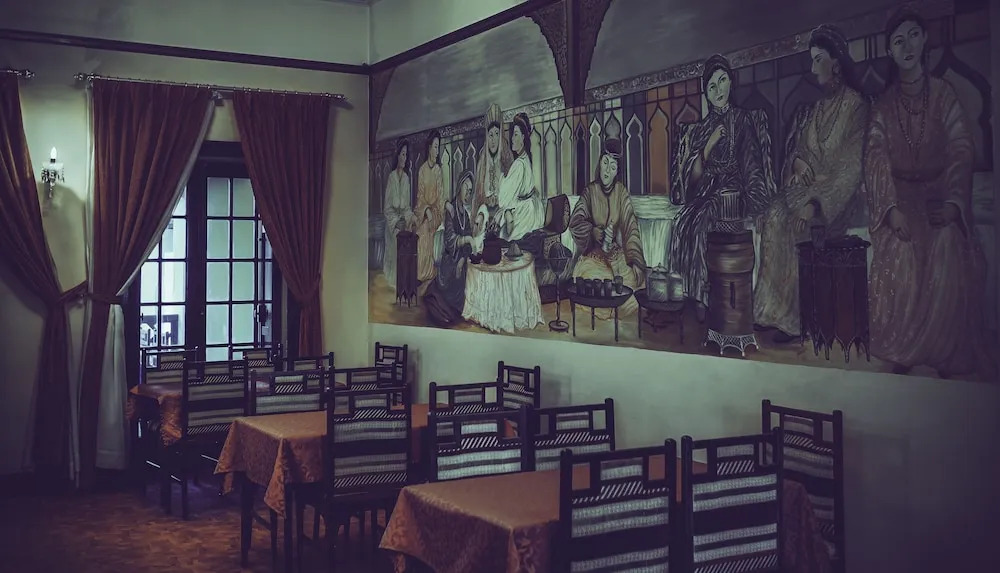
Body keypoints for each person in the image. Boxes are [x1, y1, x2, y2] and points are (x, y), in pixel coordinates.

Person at [863, 7, 995, 379]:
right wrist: (890, 209)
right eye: (898, 41)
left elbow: (961, 148)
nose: (907, 46)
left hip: (940, 195)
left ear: (924, 40)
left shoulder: (944, 94)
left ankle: (946, 351)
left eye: (913, 36)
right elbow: (874, 157)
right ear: (889, 51)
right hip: (900, 198)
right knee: (900, 247)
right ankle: (904, 349)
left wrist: (954, 203)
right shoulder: (883, 106)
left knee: (948, 241)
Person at [753, 24, 869, 342]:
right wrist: (799, 163)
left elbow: (851, 168)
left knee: (797, 225)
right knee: (773, 216)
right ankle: (770, 311)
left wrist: (816, 204)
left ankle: (795, 320)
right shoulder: (818, 108)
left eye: (818, 59)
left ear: (836, 62)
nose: (813, 68)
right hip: (807, 188)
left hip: (836, 198)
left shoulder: (857, 107)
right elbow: (801, 151)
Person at [668, 54, 777, 322]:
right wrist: (708, 146)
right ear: (706, 93)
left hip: (733, 191)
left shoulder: (742, 119)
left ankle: (703, 297)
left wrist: (758, 205)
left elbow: (752, 163)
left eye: (723, 81)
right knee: (682, 223)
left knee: (701, 222)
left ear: (731, 82)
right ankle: (686, 293)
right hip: (706, 190)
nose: (719, 90)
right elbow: (691, 179)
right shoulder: (703, 127)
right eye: (712, 86)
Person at [569, 138, 647, 318]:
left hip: (616, 255)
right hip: (593, 257)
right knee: (596, 285)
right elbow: (575, 221)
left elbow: (631, 227)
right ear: (599, 163)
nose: (607, 170)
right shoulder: (590, 191)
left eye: (612, 167)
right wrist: (592, 231)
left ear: (617, 171)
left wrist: (636, 261)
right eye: (605, 163)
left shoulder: (621, 192)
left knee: (631, 284)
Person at [424, 171, 477, 326]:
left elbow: (469, 242)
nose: (468, 193)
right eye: (466, 188)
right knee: (445, 305)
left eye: (471, 191)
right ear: (460, 187)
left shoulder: (465, 215)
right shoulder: (451, 210)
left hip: (460, 261)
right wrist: (465, 240)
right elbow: (449, 239)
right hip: (449, 259)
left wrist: (462, 259)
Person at [492, 113, 545, 242]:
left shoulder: (519, 164)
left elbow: (504, 198)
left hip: (526, 215)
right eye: (512, 135)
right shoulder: (525, 158)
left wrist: (501, 176)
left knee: (503, 232)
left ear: (523, 137)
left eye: (515, 134)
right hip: (532, 209)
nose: (512, 139)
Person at [382, 139, 414, 289]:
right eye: (402, 154)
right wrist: (396, 222)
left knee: (410, 238)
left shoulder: (406, 178)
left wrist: (410, 218)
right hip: (393, 224)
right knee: (397, 240)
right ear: (397, 155)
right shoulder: (391, 177)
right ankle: (395, 281)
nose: (404, 158)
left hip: (403, 221)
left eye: (406, 155)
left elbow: (406, 207)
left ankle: (406, 280)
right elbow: (387, 208)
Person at [414, 130, 445, 283]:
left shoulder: (438, 170)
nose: (437, 151)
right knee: (418, 229)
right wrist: (425, 209)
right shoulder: (422, 170)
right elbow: (420, 196)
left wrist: (435, 212)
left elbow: (441, 196)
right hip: (424, 210)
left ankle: (426, 273)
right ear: (429, 148)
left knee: (426, 229)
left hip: (436, 212)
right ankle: (419, 272)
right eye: (435, 147)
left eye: (438, 147)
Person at [474, 103, 513, 219]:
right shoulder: (483, 161)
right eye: (490, 135)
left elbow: (512, 188)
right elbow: (478, 193)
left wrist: (499, 199)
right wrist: (487, 200)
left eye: (496, 134)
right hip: (485, 210)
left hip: (503, 208)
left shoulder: (507, 157)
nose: (493, 140)